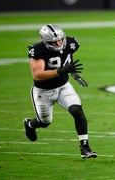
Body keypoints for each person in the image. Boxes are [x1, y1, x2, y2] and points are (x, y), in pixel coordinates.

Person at [24, 24, 97, 159]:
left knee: (77, 110)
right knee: (44, 122)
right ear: (45, 41)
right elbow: (38, 75)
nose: (58, 43)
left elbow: (67, 57)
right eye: (54, 41)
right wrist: (61, 71)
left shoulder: (70, 42)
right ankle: (30, 124)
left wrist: (73, 72)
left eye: (60, 39)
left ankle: (85, 147)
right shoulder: (38, 50)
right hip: (43, 91)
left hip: (63, 86)